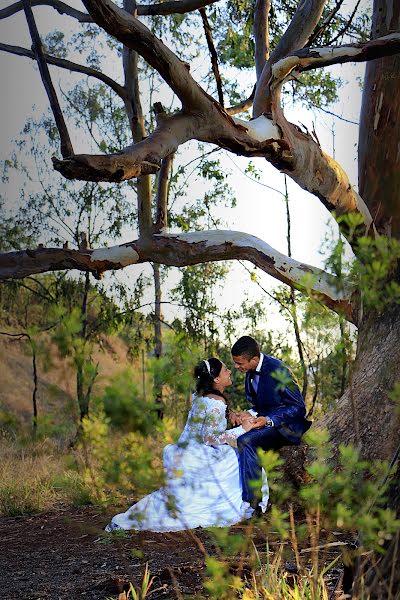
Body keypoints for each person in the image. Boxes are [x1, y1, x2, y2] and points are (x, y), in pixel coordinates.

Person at [105, 357, 269, 533]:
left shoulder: (201, 396)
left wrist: (233, 415)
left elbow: (211, 420)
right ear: (216, 379)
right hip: (201, 453)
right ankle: (248, 504)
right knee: (237, 458)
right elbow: (210, 438)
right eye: (226, 370)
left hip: (185, 450)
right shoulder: (216, 403)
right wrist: (242, 430)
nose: (230, 371)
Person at [231, 336, 311, 511]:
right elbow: (261, 405)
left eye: (239, 363)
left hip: (286, 427)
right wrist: (249, 414)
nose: (237, 367)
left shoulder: (279, 370)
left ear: (254, 359)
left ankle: (253, 505)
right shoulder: (250, 372)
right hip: (267, 422)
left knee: (246, 441)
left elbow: (298, 407)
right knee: (241, 436)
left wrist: (269, 420)